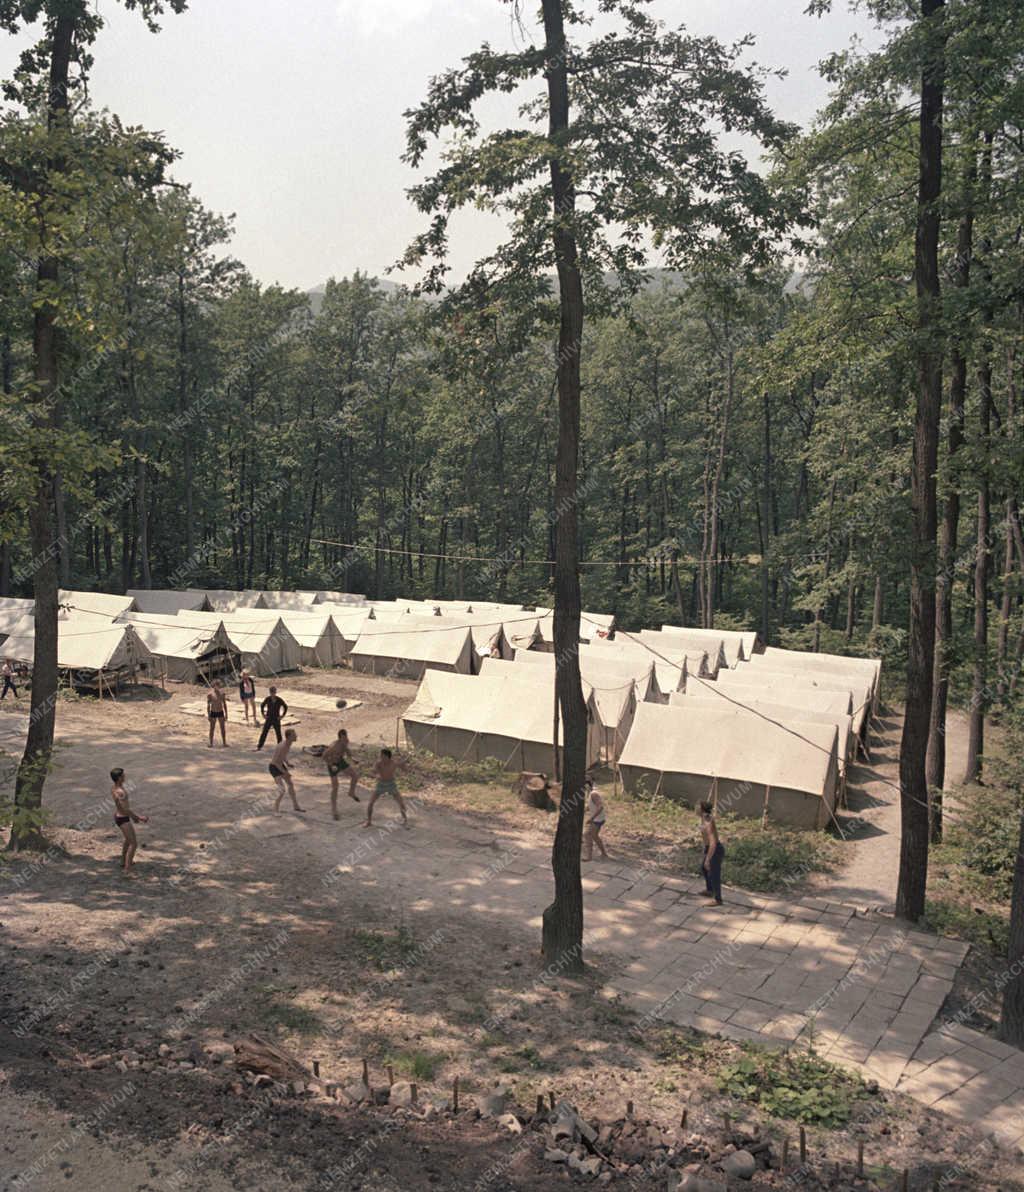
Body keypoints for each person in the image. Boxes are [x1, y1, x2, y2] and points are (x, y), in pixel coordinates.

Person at [110, 767, 148, 878]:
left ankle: (123, 861)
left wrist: (133, 817)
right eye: (123, 775)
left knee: (128, 840)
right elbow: (125, 809)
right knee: (133, 844)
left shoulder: (114, 788)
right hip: (123, 819)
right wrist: (138, 817)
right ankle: (127, 870)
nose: (125, 776)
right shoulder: (120, 791)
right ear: (119, 778)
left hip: (119, 816)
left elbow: (121, 808)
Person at [363, 748, 408, 829]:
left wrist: (403, 764)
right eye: (380, 756)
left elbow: (405, 770)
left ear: (388, 757)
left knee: (401, 803)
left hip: (391, 784)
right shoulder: (378, 763)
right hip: (381, 784)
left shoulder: (394, 763)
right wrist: (376, 775)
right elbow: (372, 772)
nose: (381, 758)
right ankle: (369, 821)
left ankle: (405, 820)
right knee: (371, 803)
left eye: (383, 756)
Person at [322, 728, 360, 819]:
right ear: (339, 738)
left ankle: (351, 792)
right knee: (335, 787)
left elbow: (347, 751)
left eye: (346, 736)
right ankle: (334, 810)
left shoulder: (346, 742)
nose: (345, 739)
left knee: (355, 776)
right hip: (332, 763)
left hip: (341, 761)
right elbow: (324, 756)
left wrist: (352, 759)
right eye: (343, 737)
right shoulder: (334, 746)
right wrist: (331, 765)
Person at [270, 729, 304, 813]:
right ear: (289, 737)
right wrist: (285, 772)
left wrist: (288, 763)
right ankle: (275, 809)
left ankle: (296, 806)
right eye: (294, 735)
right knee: (282, 790)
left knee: (290, 785)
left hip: (280, 765)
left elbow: (283, 756)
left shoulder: (288, 744)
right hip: (274, 767)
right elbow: (275, 762)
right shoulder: (282, 746)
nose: (296, 736)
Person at [699, 800, 724, 905]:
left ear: (701, 809)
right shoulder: (705, 818)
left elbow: (713, 842)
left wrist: (708, 859)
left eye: (697, 806)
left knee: (714, 874)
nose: (695, 808)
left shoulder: (708, 822)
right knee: (704, 868)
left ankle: (718, 899)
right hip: (709, 847)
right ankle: (710, 890)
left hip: (715, 849)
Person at [581, 778, 608, 861]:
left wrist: (591, 819)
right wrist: (584, 810)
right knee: (594, 836)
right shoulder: (590, 794)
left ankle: (589, 857)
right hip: (598, 819)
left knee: (587, 835)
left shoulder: (594, 794)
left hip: (597, 820)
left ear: (588, 785)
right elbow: (591, 806)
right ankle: (604, 854)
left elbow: (600, 807)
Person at [257, 686, 288, 750]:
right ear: (270, 692)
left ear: (275, 692)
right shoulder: (268, 699)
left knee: (278, 733)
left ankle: (280, 747)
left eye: (274, 692)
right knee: (264, 732)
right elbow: (262, 705)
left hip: (276, 718)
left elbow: (285, 706)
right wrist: (263, 714)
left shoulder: (279, 699)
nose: (273, 694)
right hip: (269, 717)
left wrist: (282, 715)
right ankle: (259, 746)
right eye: (271, 692)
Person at [207, 679, 228, 748]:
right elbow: (208, 705)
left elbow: (224, 704)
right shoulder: (210, 694)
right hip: (213, 712)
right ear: (213, 686)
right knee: (212, 728)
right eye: (215, 685)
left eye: (218, 685)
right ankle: (211, 743)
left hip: (220, 712)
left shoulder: (222, 694)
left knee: (222, 728)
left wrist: (226, 714)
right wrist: (208, 715)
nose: (217, 687)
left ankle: (224, 742)